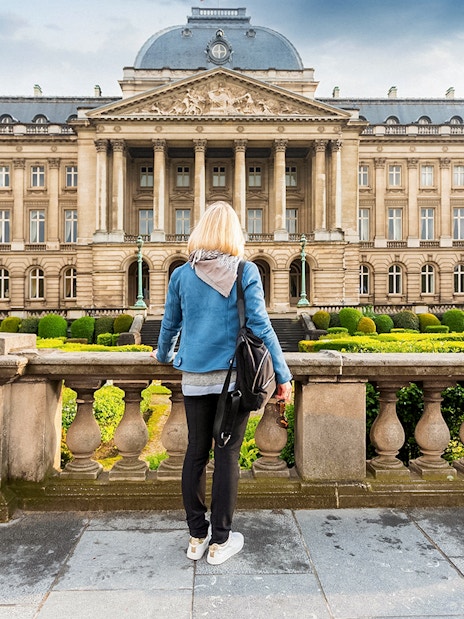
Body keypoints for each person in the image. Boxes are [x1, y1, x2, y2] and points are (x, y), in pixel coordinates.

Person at [152, 201, 292, 565]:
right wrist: (283, 374)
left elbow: (169, 325)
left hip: (195, 378)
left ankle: (196, 536)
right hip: (234, 381)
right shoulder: (245, 271)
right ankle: (220, 542)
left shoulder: (182, 275)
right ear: (235, 234)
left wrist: (164, 356)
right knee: (227, 455)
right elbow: (261, 326)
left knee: (196, 453)